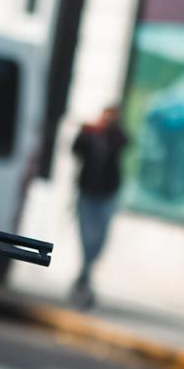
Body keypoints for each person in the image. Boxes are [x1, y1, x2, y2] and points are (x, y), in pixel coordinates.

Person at [68, 106, 127, 309]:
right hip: (87, 193)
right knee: (86, 237)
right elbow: (75, 150)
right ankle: (84, 281)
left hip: (106, 196)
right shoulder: (91, 135)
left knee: (99, 241)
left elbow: (124, 142)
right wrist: (85, 133)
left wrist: (110, 130)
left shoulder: (116, 137)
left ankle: (83, 277)